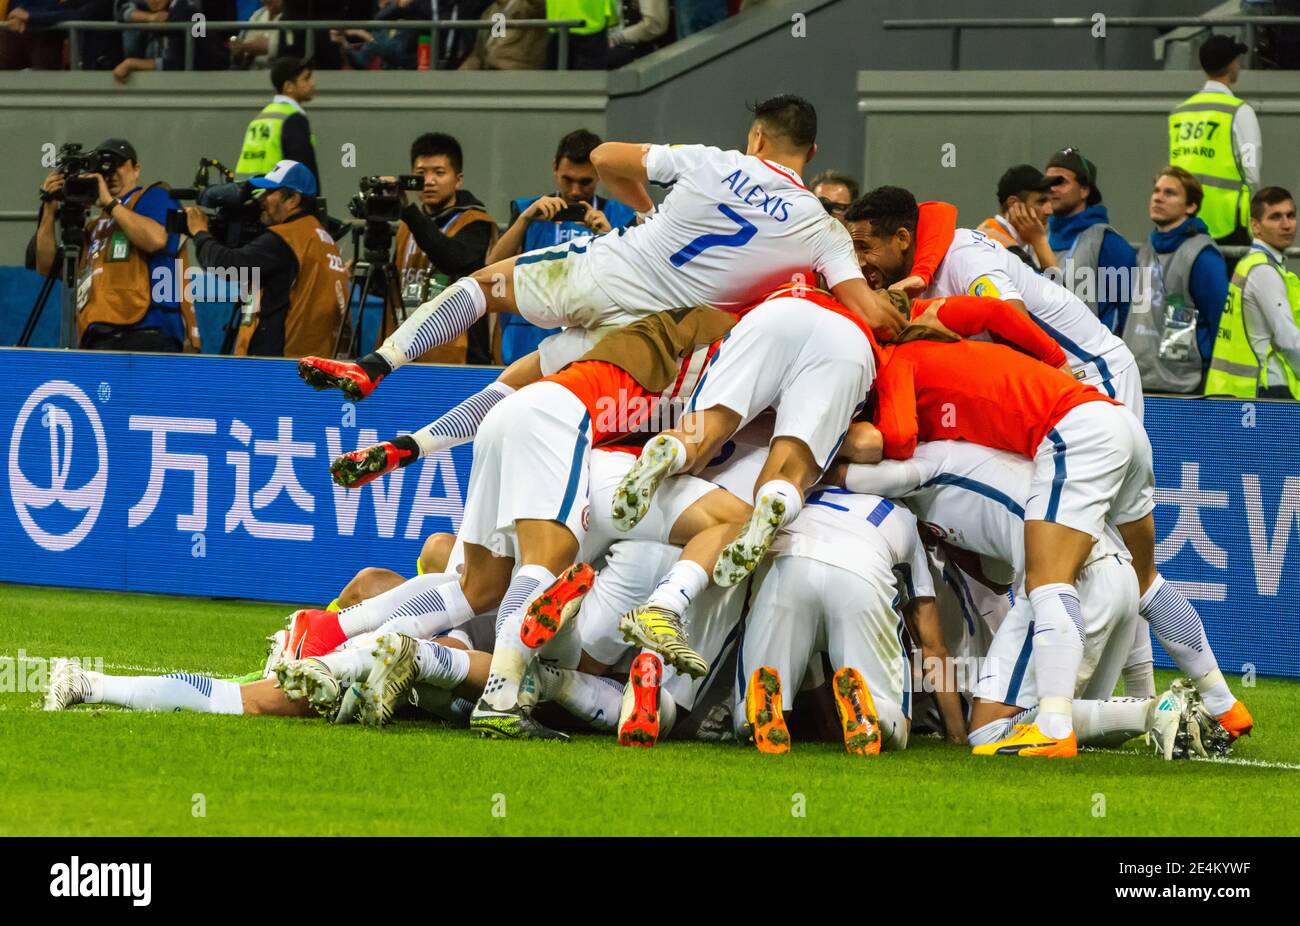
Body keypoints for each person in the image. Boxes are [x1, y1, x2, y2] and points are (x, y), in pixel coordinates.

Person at [296, 95, 905, 405]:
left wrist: (646, 209)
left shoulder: (715, 162)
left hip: (607, 272)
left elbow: (605, 156)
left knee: (484, 289)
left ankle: (375, 366)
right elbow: (866, 310)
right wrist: (911, 305)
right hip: (652, 339)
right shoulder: (820, 226)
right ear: (812, 154)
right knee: (533, 381)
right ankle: (418, 444)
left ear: (757, 137)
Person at [848, 185, 1143, 418]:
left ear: (901, 238)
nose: (859, 262)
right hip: (1050, 375)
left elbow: (1009, 316)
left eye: (865, 248)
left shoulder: (964, 255)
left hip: (1091, 367)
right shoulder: (907, 279)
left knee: (1101, 488)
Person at [28, 138, 197, 353]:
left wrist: (110, 202)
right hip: (98, 335)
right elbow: (47, 266)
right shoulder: (95, 227)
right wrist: (49, 209)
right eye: (102, 168)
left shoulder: (152, 196)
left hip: (147, 331)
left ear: (136, 170)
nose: (110, 173)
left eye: (117, 165)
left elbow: (156, 239)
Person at [486, 128, 636, 362]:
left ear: (599, 174)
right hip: (528, 338)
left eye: (585, 182)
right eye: (568, 179)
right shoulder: (528, 210)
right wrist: (524, 220)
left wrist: (609, 236)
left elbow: (636, 283)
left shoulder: (621, 217)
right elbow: (492, 265)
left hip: (594, 338)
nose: (575, 191)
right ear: (555, 167)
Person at [183, 159, 347, 358]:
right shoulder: (322, 238)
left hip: (282, 363)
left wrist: (200, 233)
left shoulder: (287, 238)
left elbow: (229, 266)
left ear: (293, 200)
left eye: (271, 193)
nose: (262, 199)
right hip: (312, 361)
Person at [392, 132, 499, 364]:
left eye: (439, 173)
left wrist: (410, 213)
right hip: (406, 347)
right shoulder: (406, 226)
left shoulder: (475, 223)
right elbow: (395, 283)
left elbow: (451, 258)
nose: (429, 181)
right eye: (421, 174)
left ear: (458, 179)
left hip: (458, 352)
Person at [1124, 167, 1228, 394]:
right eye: (1156, 191)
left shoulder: (1202, 255)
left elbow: (1218, 322)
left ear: (1190, 206)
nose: (1158, 197)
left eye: (1170, 193)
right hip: (1138, 378)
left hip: (1183, 385)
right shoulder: (1147, 246)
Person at [1206, 186, 1300, 399]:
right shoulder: (1263, 271)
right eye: (1275, 217)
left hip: (1247, 388)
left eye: (1291, 215)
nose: (1286, 224)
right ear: (1256, 226)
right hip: (1269, 387)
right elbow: (1288, 339)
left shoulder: (1250, 265)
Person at [1168, 34, 1260, 245]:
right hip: (1229, 223)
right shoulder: (1239, 111)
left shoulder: (1180, 113)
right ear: (1233, 64)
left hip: (1185, 218)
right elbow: (1252, 173)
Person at [1045, 146, 1137, 334]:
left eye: (1060, 182)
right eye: (1047, 182)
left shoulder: (1109, 244)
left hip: (1090, 360)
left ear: (1085, 190)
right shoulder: (1038, 237)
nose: (1051, 188)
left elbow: (1131, 314)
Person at [235, 56, 320, 192]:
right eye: (306, 78)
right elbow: (303, 173)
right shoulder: (293, 118)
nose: (313, 83)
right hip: (278, 199)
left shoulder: (261, 117)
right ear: (288, 87)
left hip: (250, 195)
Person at [112, 0, 228, 81]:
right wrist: (149, 17)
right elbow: (121, 10)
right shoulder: (173, 7)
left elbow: (177, 64)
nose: (154, 0)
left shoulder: (184, 11)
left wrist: (132, 63)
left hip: (204, 81)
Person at [975, 164, 1062, 271]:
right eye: (1041, 201)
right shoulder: (1005, 250)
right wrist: (1040, 241)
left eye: (1050, 201)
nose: (1050, 211)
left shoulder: (989, 233)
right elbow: (1057, 286)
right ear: (1013, 204)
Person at [459, 0, 548, 70]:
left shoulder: (528, 4)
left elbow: (538, 5)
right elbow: (479, 53)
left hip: (517, 71)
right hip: (489, 70)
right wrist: (458, 78)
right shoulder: (493, 9)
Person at [545, 0, 615, 69]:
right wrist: (612, 20)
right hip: (591, 23)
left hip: (557, 22)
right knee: (590, 76)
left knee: (558, 75)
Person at [230, 0, 283, 69]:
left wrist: (244, 47)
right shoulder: (258, 14)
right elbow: (242, 48)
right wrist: (238, 51)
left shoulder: (291, 16)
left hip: (275, 71)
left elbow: (266, 46)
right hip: (250, 71)